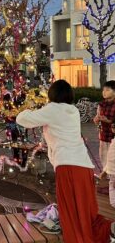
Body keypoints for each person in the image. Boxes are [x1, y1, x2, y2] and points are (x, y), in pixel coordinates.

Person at [16, 79, 114, 243]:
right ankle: (106, 230)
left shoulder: (52, 109)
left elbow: (22, 119)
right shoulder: (73, 110)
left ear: (52, 94)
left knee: (70, 209)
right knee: (86, 209)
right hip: (84, 166)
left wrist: (28, 108)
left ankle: (79, 239)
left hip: (67, 166)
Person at [94, 80, 115, 169]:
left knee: (112, 157)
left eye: (107, 90)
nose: (104, 92)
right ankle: (105, 174)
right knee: (103, 156)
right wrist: (96, 119)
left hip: (113, 137)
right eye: (103, 90)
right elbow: (96, 120)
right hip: (103, 135)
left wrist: (109, 121)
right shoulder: (101, 104)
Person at [100, 122, 115, 209]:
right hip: (112, 174)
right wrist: (105, 171)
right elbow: (110, 159)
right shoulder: (113, 142)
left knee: (113, 202)